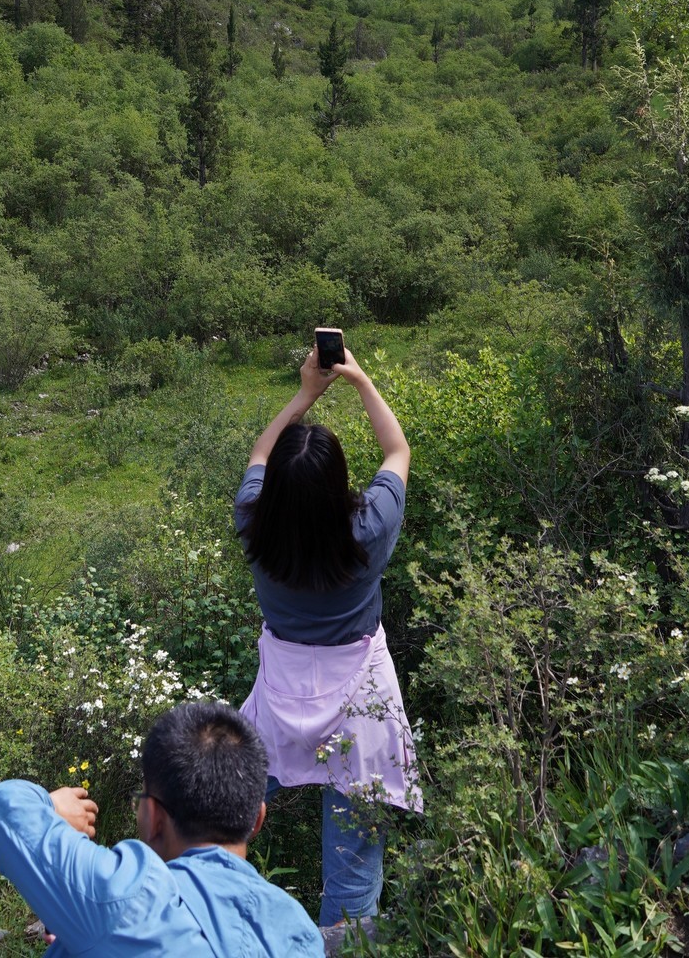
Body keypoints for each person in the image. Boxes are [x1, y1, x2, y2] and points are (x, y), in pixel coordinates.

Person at [234, 342, 422, 952]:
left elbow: (261, 454)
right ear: (342, 484)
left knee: (227, 801)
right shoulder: (366, 530)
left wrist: (306, 392)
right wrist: (361, 380)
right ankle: (344, 939)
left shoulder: (254, 523)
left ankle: (196, 902)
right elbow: (398, 450)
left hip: (282, 688)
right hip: (359, 695)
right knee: (354, 845)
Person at [0, 700, 323, 955]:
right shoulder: (298, 928)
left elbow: (2, 804)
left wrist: (54, 806)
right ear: (257, 820)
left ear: (152, 816)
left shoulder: (125, 897)